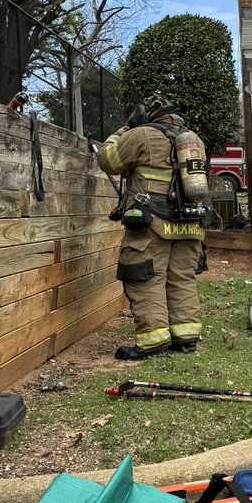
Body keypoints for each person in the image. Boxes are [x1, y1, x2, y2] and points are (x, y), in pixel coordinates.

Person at [96, 95, 208, 360]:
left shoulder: (142, 135)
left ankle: (152, 341)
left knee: (146, 278)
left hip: (152, 224)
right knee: (181, 278)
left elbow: (107, 160)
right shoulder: (194, 141)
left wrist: (122, 131)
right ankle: (187, 337)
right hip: (190, 223)